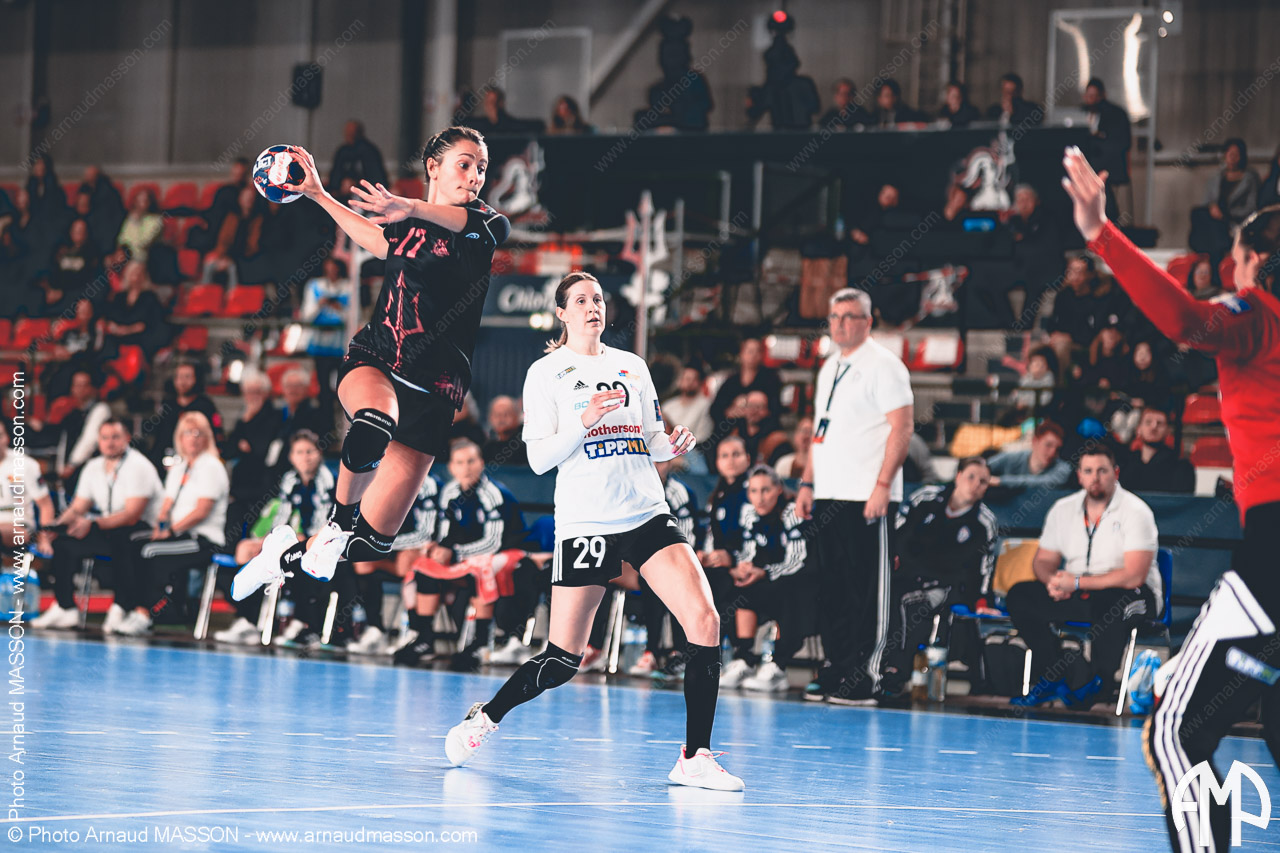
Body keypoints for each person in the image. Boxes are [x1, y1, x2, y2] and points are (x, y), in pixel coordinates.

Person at [443, 272, 742, 791]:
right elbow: (539, 459)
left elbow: (650, 439)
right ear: (562, 313)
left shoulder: (632, 366)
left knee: (705, 618)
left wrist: (673, 445)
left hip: (646, 512)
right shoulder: (546, 372)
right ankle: (485, 717)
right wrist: (583, 422)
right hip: (586, 523)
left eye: (598, 299)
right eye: (580, 300)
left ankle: (695, 756)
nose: (592, 307)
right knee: (563, 660)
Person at [1064, 145, 1280, 849]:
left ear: (1255, 262)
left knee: (1174, 729)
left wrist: (1102, 234)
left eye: (1236, 256)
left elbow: (1185, 320)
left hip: (1273, 556)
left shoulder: (1257, 314)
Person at [230, 127, 510, 616]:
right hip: (379, 357)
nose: (475, 176)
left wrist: (411, 207)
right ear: (434, 167)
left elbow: (468, 226)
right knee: (374, 422)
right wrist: (318, 194)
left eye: (481, 168)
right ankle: (337, 523)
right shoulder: (407, 223)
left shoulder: (485, 224)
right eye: (465, 164)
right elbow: (379, 242)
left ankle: (279, 556)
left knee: (374, 542)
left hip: (436, 390)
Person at [796, 288, 914, 705]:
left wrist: (882, 486)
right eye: (835, 316)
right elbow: (820, 429)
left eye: (850, 316)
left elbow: (902, 427)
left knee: (868, 590)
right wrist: (807, 483)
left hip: (867, 494)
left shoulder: (884, 365)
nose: (841, 323)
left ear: (868, 321)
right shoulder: (830, 365)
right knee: (834, 586)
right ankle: (838, 666)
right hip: (830, 491)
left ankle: (867, 674)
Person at [1006, 445, 1161, 708]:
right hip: (1080, 590)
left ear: (1116, 473)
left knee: (1114, 604)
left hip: (1133, 595)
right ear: (1079, 476)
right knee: (1020, 595)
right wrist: (1053, 582)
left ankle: (1098, 684)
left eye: (1102, 471)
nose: (1095, 478)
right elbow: (1043, 561)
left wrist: (1076, 582)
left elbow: (1134, 576)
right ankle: (1055, 675)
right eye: (1088, 471)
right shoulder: (1063, 509)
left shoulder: (1136, 511)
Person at [879, 457, 998, 698]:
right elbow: (895, 532)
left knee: (912, 605)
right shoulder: (925, 498)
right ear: (958, 476)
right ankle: (868, 668)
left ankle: (896, 672)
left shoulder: (985, 522)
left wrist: (982, 600)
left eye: (983, 481)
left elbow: (985, 568)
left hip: (945, 586)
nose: (976, 484)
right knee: (881, 596)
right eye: (971, 477)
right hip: (905, 576)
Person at [31, 419, 162, 632]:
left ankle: (121, 607)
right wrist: (53, 529)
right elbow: (77, 508)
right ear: (98, 441)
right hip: (108, 526)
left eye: (115, 437)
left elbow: (132, 515)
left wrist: (92, 524)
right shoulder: (93, 467)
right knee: (64, 543)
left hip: (144, 529)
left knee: (123, 539)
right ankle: (65, 607)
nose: (110, 443)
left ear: (127, 438)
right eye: (104, 438)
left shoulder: (139, 466)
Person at [127, 411, 230, 636]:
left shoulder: (211, 466)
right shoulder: (179, 467)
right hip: (178, 534)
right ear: (179, 437)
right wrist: (160, 527)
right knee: (132, 543)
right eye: (187, 433)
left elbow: (202, 511)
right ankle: (129, 608)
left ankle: (146, 613)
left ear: (207, 437)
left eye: (198, 433)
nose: (192, 438)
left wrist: (171, 531)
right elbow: (166, 505)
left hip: (203, 540)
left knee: (150, 552)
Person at [718, 464, 815, 694]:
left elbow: (797, 560)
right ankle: (744, 659)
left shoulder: (791, 513)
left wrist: (765, 572)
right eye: (754, 491)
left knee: (786, 589)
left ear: (779, 489)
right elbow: (749, 551)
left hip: (800, 579)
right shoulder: (750, 514)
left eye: (766, 490)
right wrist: (743, 567)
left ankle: (778, 666)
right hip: (766, 576)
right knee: (737, 589)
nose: (759, 498)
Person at [1082, 79, 1131, 221]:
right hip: (1087, 165)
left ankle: (1110, 222)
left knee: (1105, 196)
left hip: (1107, 166)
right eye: (1088, 96)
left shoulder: (1115, 114)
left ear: (1102, 96)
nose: (1091, 100)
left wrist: (1097, 137)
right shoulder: (1081, 112)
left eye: (1095, 96)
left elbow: (1121, 143)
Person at [709, 338, 782, 430]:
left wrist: (751, 409)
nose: (754, 355)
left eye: (758, 351)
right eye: (750, 351)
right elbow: (715, 410)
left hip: (762, 429)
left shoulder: (770, 379)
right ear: (741, 354)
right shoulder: (731, 382)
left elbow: (775, 409)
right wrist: (729, 412)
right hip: (733, 429)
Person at [1122, 408, 1195, 495]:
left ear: (1168, 431)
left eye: (1159, 423)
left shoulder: (1181, 467)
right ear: (1139, 429)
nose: (1154, 427)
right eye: (1148, 422)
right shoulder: (1126, 463)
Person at [986, 420, 1071, 490]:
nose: (1052, 452)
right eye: (1048, 445)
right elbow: (984, 466)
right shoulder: (1012, 458)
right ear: (1035, 442)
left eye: (1057, 449)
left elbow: (1043, 482)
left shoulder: (1063, 469)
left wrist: (1000, 481)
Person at [329, 120, 389, 193]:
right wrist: (339, 185)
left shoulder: (369, 151)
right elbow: (335, 174)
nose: (349, 135)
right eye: (347, 133)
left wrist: (355, 184)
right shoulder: (342, 151)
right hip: (342, 193)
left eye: (352, 133)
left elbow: (376, 178)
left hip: (364, 192)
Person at [662, 365, 714, 449]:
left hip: (694, 449)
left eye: (693, 379)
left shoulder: (707, 405)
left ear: (700, 382)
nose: (689, 382)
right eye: (686, 378)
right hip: (667, 447)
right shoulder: (668, 406)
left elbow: (702, 437)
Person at [481, 395, 528, 467]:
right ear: (490, 418)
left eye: (506, 414)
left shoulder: (526, 443)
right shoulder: (488, 449)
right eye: (497, 415)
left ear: (517, 416)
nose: (501, 419)